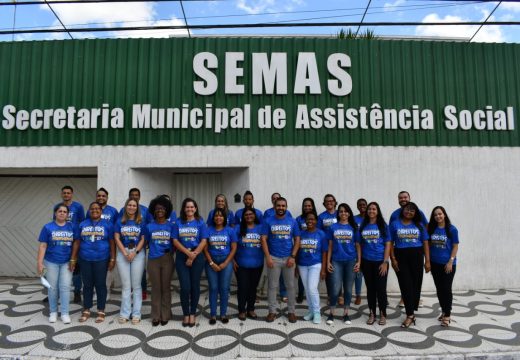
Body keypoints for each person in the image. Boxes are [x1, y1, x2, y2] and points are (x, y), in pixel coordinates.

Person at [72, 201, 116, 324]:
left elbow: (112, 243)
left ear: (101, 211)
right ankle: (86, 309)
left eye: (97, 209)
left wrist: (112, 258)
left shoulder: (108, 225)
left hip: (102, 259)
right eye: (92, 209)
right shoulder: (82, 224)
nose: (95, 210)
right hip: (85, 258)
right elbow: (77, 242)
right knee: (87, 285)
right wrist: (73, 258)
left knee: (101, 284)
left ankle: (101, 310)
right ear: (89, 211)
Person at [390, 202, 430, 328]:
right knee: (405, 284)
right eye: (407, 209)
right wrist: (393, 259)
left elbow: (425, 243)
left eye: (412, 210)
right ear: (403, 210)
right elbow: (390, 242)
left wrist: (427, 261)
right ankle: (410, 314)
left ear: (415, 213)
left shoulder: (420, 225)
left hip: (417, 255)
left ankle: (412, 312)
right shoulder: (394, 223)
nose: (409, 212)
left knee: (415, 284)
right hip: (400, 256)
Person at [37, 204, 79, 324]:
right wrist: (40, 263)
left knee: (65, 287)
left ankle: (65, 313)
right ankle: (53, 312)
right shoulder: (47, 227)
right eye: (59, 211)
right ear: (55, 213)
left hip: (66, 262)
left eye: (64, 212)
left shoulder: (72, 227)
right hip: (51, 262)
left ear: (67, 214)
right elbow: (43, 245)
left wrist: (73, 259)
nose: (62, 213)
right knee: (53, 288)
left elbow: (76, 243)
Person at [261, 197, 300, 323]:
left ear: (286, 207)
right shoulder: (268, 221)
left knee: (290, 286)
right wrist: (268, 257)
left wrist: (293, 257)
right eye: (279, 205)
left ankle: (291, 312)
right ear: (274, 206)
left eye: (283, 206)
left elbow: (297, 240)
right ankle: (272, 312)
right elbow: (263, 239)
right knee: (272, 286)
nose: (281, 208)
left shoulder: (292, 221)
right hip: (274, 258)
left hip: (289, 258)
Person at [173, 197, 208, 327]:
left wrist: (193, 255)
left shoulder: (200, 222)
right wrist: (188, 254)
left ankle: (192, 313)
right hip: (182, 256)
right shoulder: (178, 222)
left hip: (197, 256)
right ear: (184, 208)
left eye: (192, 207)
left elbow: (204, 240)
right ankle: (185, 313)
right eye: (187, 207)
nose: (190, 209)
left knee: (195, 286)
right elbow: (175, 241)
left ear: (195, 208)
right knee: (185, 287)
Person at [326, 203, 360, 325]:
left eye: (346, 211)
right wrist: (328, 262)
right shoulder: (332, 227)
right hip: (336, 261)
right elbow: (330, 245)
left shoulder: (353, 228)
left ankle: (346, 314)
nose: (343, 213)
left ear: (349, 213)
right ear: (338, 213)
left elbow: (357, 246)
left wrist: (359, 261)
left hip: (350, 261)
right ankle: (331, 313)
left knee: (348, 290)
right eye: (341, 211)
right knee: (335, 289)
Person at [359, 202, 391, 325]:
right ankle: (372, 312)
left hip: (380, 262)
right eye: (369, 209)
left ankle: (383, 313)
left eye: (374, 209)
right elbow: (360, 245)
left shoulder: (383, 225)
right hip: (367, 262)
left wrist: (385, 262)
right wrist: (360, 262)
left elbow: (388, 244)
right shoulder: (363, 225)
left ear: (377, 211)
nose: (371, 211)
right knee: (370, 289)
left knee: (381, 289)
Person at [115, 198, 146, 325]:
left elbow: (143, 239)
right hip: (123, 253)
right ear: (126, 206)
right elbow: (116, 238)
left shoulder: (141, 222)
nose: (131, 207)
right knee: (126, 286)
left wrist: (135, 252)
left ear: (137, 207)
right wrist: (125, 252)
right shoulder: (120, 221)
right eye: (129, 205)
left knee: (137, 285)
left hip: (137, 253)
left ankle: (136, 313)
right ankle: (125, 313)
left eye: (134, 205)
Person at [145, 195, 175, 326]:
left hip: (167, 259)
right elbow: (145, 241)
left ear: (167, 210)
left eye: (162, 208)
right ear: (153, 210)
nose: (159, 210)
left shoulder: (171, 226)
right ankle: (156, 315)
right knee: (156, 288)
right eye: (157, 208)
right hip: (153, 259)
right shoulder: (149, 226)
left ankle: (166, 314)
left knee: (166, 287)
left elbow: (175, 244)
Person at [204, 208, 237, 324]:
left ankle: (223, 314)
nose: (218, 218)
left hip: (226, 262)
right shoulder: (208, 230)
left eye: (221, 216)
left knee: (224, 288)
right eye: (216, 216)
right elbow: (205, 249)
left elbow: (233, 249)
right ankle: (213, 314)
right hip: (211, 262)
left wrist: (225, 263)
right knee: (213, 288)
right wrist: (211, 263)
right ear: (213, 218)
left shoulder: (230, 230)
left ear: (225, 218)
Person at [428, 206, 459, 327]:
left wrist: (451, 261)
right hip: (435, 263)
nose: (438, 216)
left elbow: (455, 246)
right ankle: (444, 310)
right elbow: (429, 245)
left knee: (446, 289)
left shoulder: (452, 229)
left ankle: (447, 315)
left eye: (440, 214)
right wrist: (428, 261)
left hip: (448, 264)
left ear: (444, 214)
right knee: (439, 289)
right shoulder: (432, 229)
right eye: (435, 215)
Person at [53, 186, 85, 305]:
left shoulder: (78, 207)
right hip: (61, 239)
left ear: (72, 194)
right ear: (61, 194)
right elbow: (55, 222)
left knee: (75, 268)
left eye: (68, 193)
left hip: (75, 240)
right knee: (58, 267)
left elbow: (83, 222)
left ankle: (77, 291)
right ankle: (55, 293)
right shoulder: (57, 207)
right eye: (64, 193)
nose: (66, 195)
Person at [119, 188, 151, 301]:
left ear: (140, 196)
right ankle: (130, 291)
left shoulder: (145, 210)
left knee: (141, 270)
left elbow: (148, 227)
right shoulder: (123, 210)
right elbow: (119, 228)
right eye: (132, 195)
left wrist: (145, 243)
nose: (135, 196)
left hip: (140, 245)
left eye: (137, 195)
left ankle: (143, 291)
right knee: (127, 280)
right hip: (125, 248)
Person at [234, 207, 264, 320]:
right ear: (243, 217)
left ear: (255, 216)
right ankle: (241, 310)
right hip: (241, 264)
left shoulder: (260, 228)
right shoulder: (238, 228)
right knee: (242, 287)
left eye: (251, 214)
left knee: (253, 287)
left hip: (257, 264)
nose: (249, 216)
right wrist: (232, 260)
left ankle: (251, 309)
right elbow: (232, 246)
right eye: (246, 215)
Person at [298, 212, 328, 324]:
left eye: (312, 219)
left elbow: (324, 252)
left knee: (312, 288)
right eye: (308, 219)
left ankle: (317, 312)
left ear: (316, 221)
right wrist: (296, 266)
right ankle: (310, 311)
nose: (310, 221)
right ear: (305, 221)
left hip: (315, 264)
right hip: (302, 264)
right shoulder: (301, 234)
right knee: (307, 289)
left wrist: (323, 269)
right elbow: (297, 251)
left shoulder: (321, 234)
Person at [294, 197, 318, 303]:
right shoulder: (298, 219)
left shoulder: (317, 218)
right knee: (301, 272)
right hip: (301, 247)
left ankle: (312, 295)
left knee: (312, 280)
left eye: (309, 205)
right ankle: (300, 293)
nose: (307, 207)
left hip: (314, 248)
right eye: (305, 206)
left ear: (312, 206)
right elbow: (296, 235)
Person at [318, 194, 339, 305]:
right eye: (327, 201)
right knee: (329, 273)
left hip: (340, 248)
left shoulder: (340, 213)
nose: (329, 202)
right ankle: (330, 295)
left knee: (339, 272)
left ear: (335, 202)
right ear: (324, 204)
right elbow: (319, 233)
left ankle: (339, 295)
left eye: (331, 201)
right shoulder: (321, 217)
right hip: (327, 248)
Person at [352, 198, 367, 305]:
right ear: (357, 207)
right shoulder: (353, 219)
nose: (362, 206)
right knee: (358, 274)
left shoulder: (371, 218)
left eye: (364, 204)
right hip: (357, 250)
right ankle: (358, 295)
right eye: (359, 205)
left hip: (369, 249)